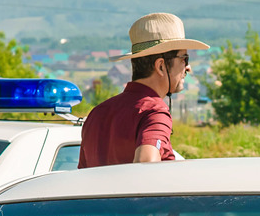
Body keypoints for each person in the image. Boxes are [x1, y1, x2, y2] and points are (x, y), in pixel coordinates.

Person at [79, 13, 209, 168]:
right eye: (184, 59)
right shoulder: (154, 112)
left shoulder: (97, 113)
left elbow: (83, 175)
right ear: (161, 66)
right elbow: (146, 164)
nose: (188, 67)